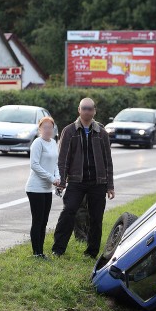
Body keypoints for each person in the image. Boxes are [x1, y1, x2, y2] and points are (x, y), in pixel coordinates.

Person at [52, 97, 115, 259]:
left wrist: (110, 185)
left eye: (90, 108)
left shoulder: (101, 132)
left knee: (96, 217)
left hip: (97, 182)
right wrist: (62, 181)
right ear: (79, 110)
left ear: (94, 111)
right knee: (68, 212)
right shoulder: (69, 131)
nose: (87, 111)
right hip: (76, 181)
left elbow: (108, 160)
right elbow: (63, 159)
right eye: (84, 108)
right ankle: (58, 249)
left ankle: (91, 252)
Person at [25, 116, 61, 259]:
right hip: (35, 188)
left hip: (47, 189)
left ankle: (41, 252)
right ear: (40, 129)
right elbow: (34, 165)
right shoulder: (37, 143)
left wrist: (57, 177)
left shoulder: (53, 142)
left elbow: (55, 164)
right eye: (45, 127)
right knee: (38, 220)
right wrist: (52, 178)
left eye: (50, 127)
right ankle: (37, 252)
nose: (48, 130)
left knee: (44, 220)